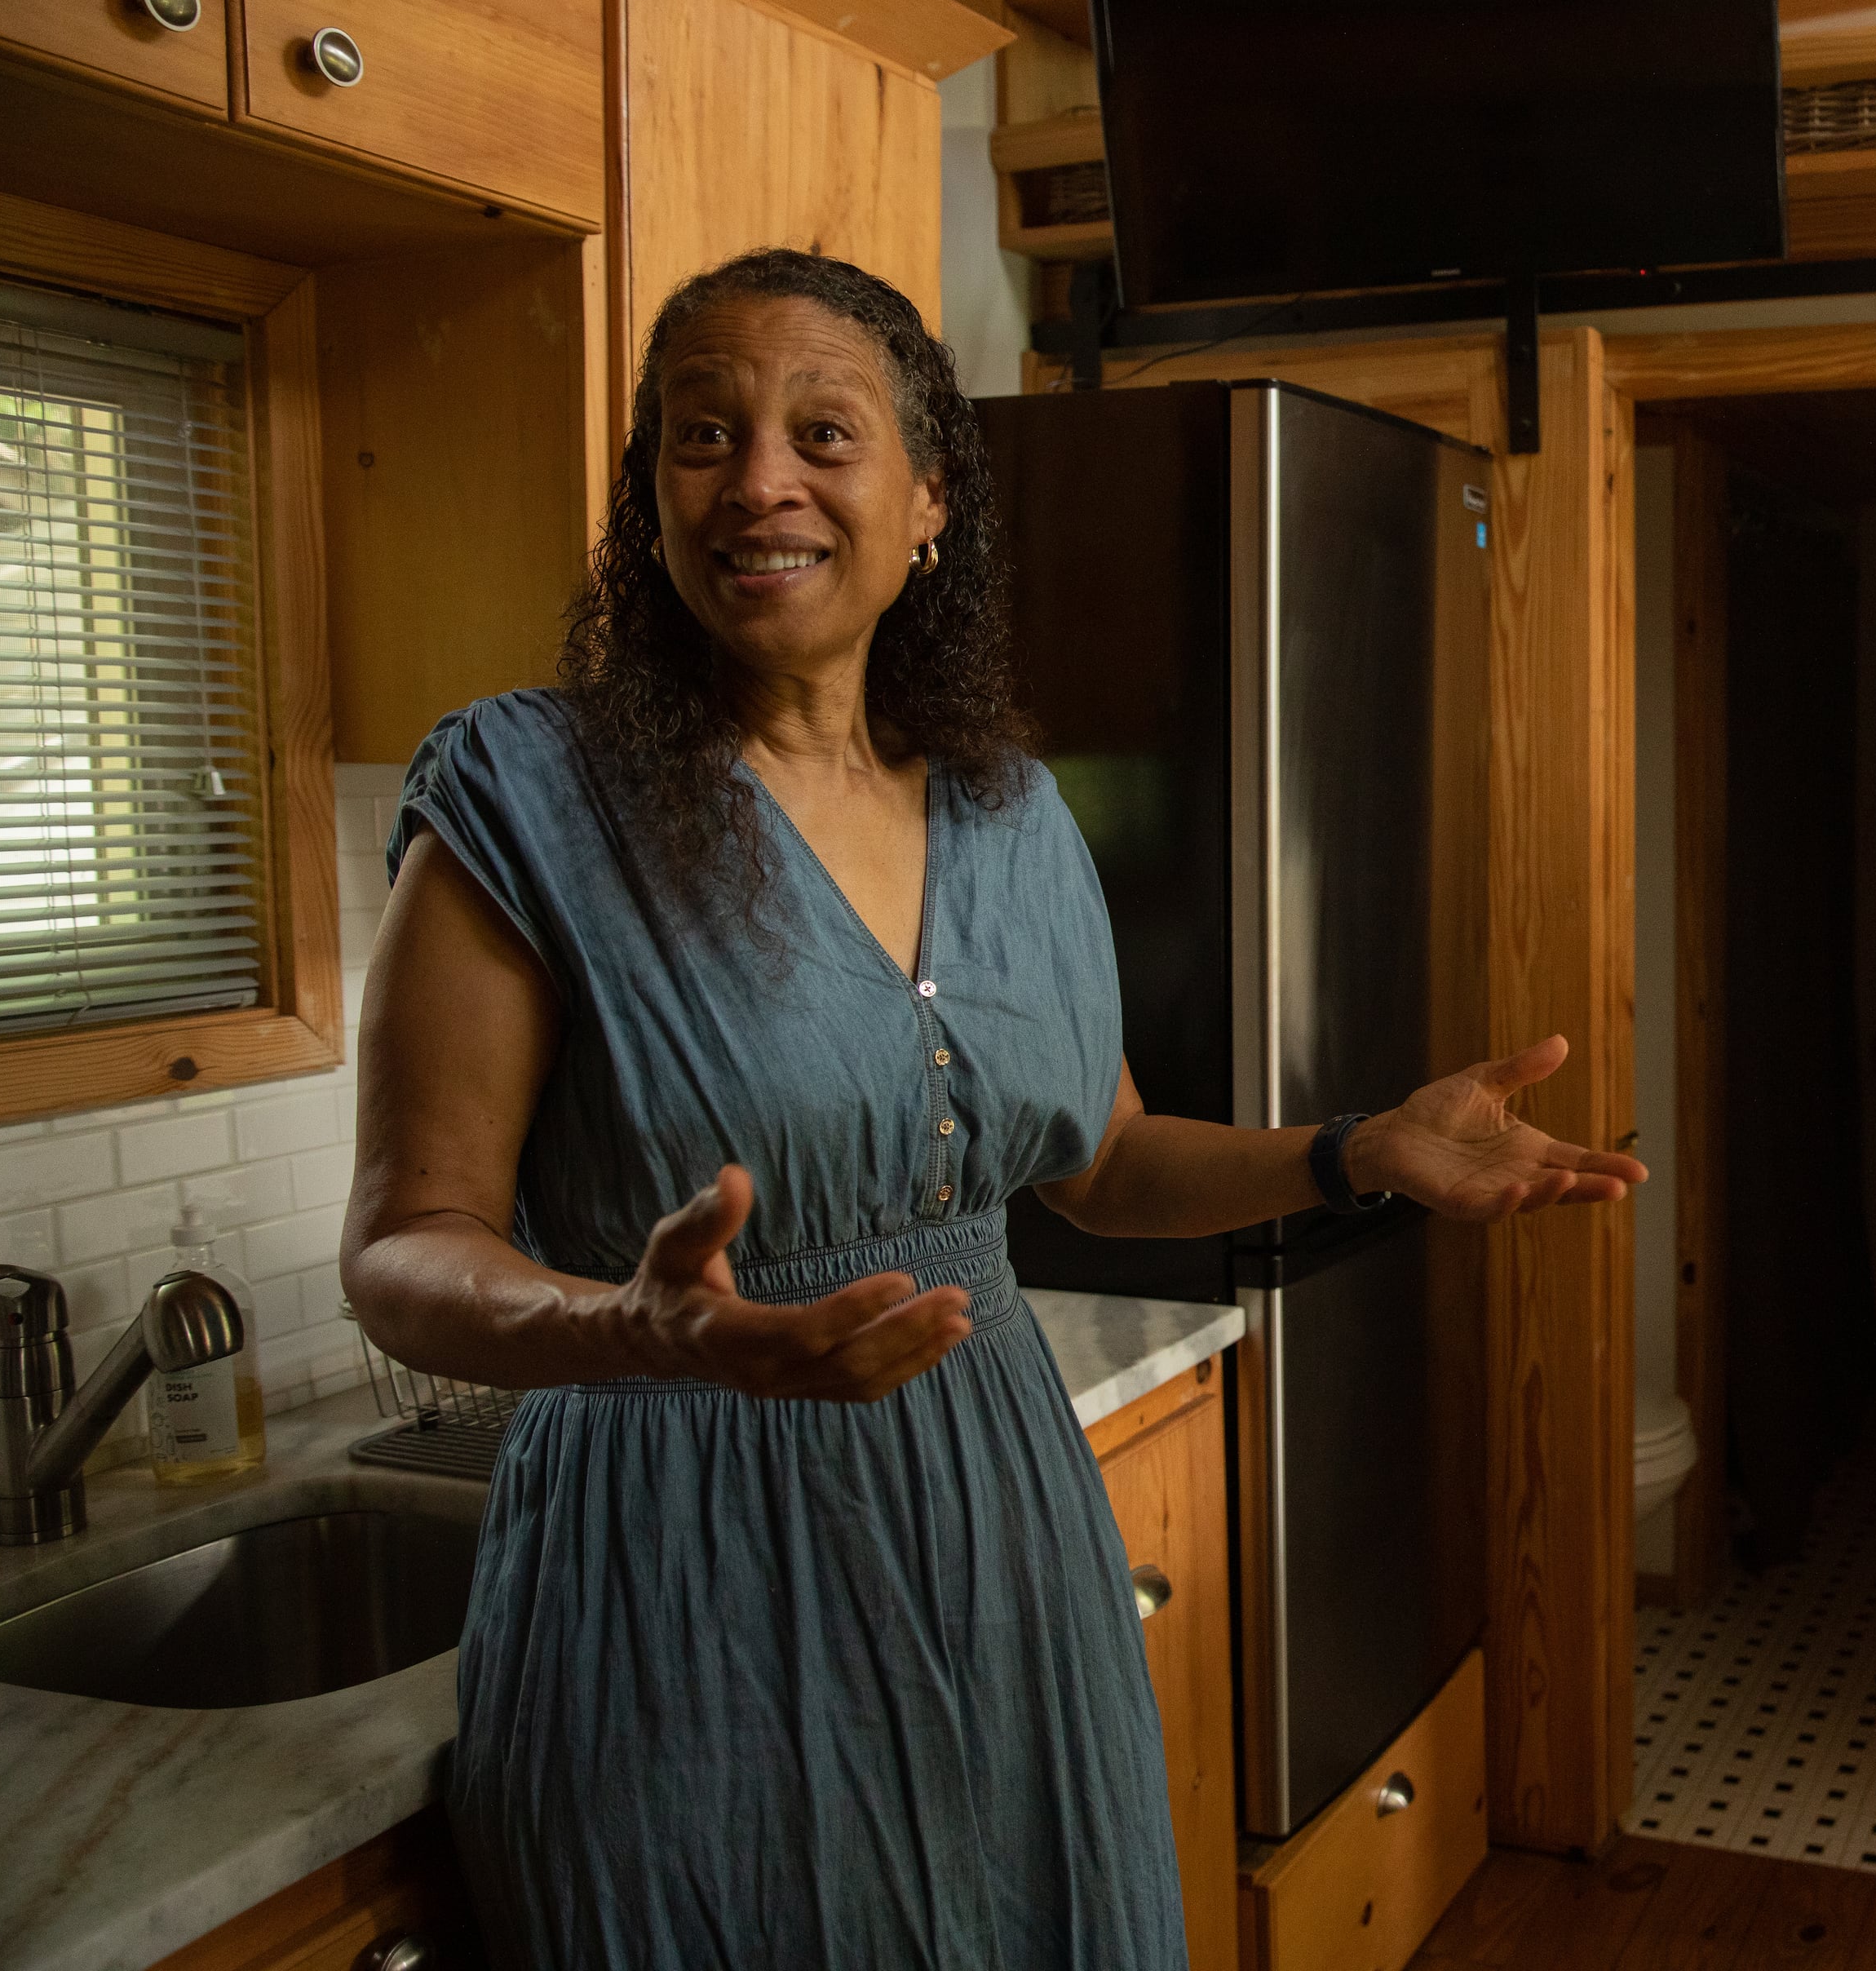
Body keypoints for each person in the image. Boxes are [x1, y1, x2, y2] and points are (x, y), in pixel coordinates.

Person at [337, 247, 1644, 1970]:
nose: (761, 482)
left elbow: (1099, 1160)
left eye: (824, 430)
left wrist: (1352, 1150)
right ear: (651, 499)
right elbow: (403, 1247)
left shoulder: (1010, 806)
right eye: (702, 437)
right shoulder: (525, 797)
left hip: (994, 1522)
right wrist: (642, 1330)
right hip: (678, 1557)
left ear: (930, 497)